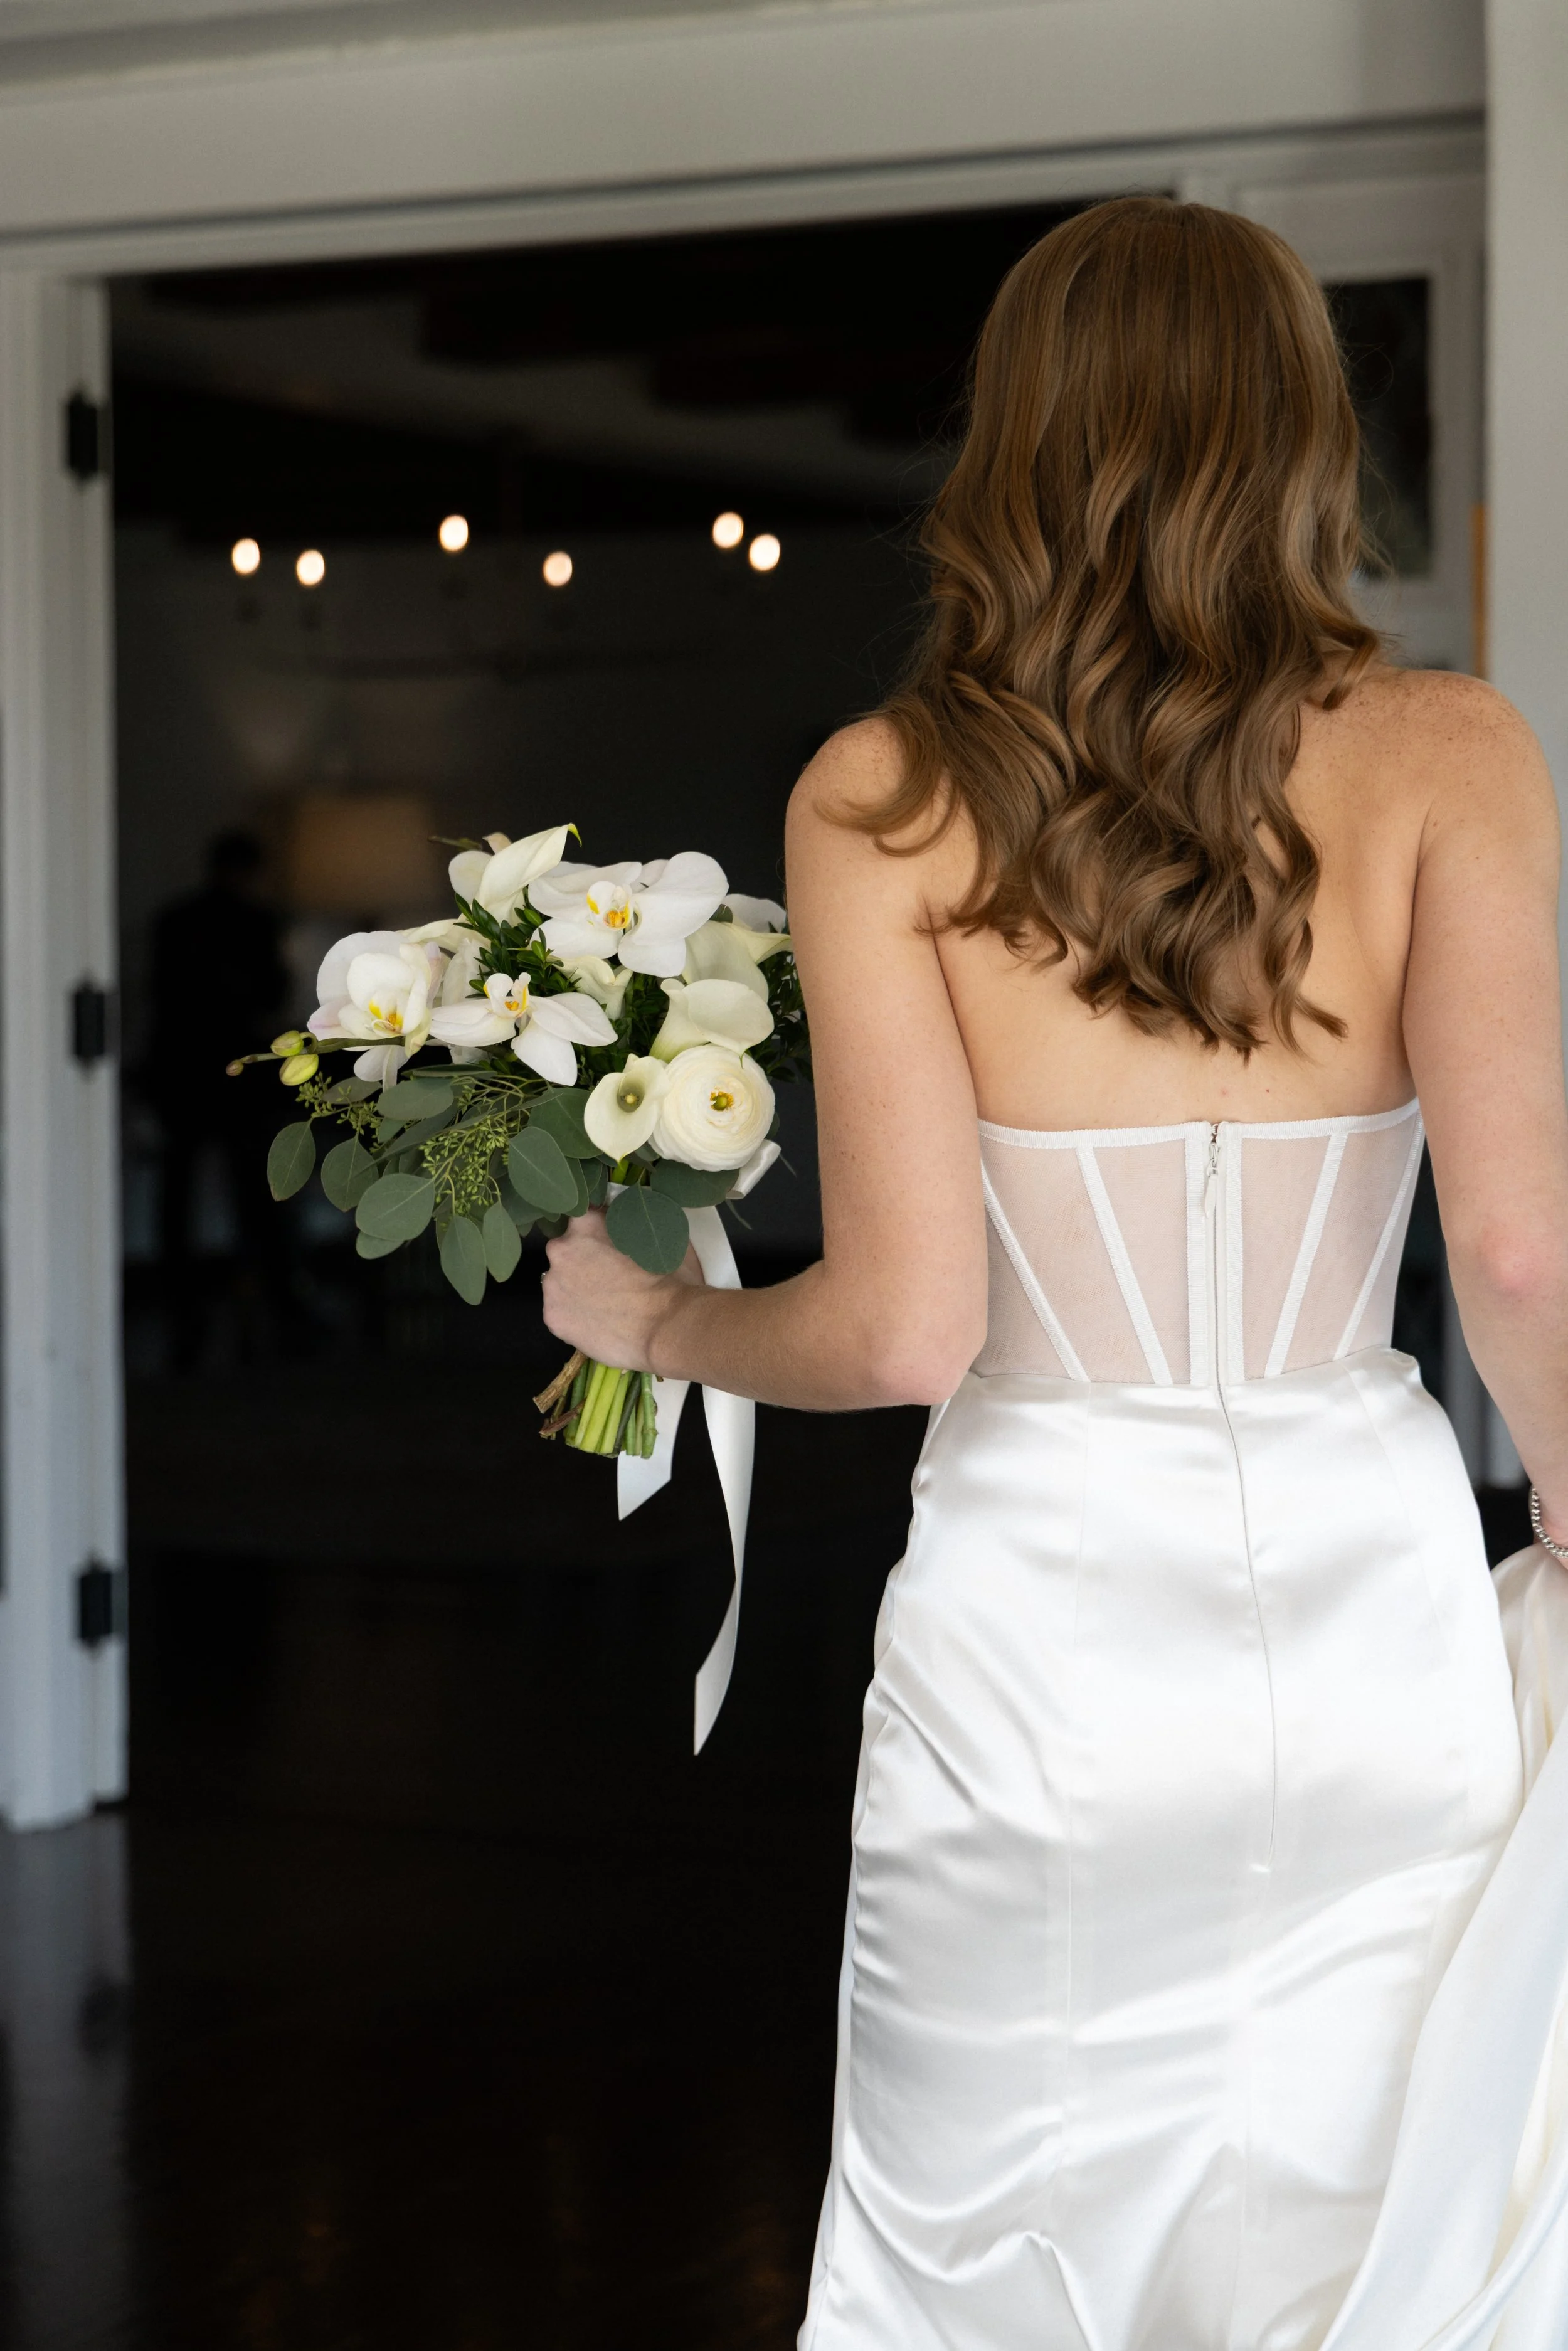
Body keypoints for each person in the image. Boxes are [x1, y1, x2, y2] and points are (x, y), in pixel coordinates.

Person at [540, 198, 1568, 2348]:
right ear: (1299, 435)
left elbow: (909, 1327)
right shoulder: (1454, 752)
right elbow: (1519, 1242)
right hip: (1373, 1598)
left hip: (1044, 1638)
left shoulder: (886, 798)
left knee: (990, 2253)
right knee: (1368, 2234)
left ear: (1013, 437)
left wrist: (660, 1319)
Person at [143, 827, 293, 1366]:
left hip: (183, 1071)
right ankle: (279, 1305)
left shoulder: (174, 922)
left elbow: (159, 999)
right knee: (256, 1197)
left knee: (180, 1197)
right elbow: (273, 993)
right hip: (233, 1073)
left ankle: (185, 1308)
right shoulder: (256, 923)